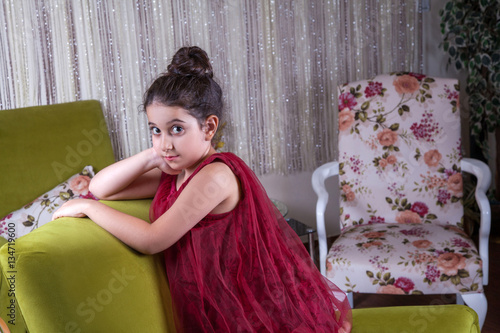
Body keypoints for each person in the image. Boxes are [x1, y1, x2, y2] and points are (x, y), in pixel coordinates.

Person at [53, 46, 351, 332]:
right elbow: (103, 188)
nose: (165, 141)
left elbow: (152, 240)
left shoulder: (215, 176)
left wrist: (87, 206)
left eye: (177, 129)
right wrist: (154, 154)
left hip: (248, 307)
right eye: (155, 129)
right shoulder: (176, 172)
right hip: (214, 303)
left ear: (208, 128)